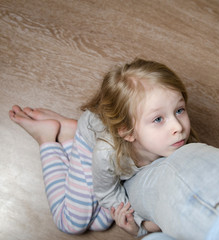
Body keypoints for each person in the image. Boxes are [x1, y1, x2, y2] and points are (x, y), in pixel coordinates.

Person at [9, 58, 198, 236]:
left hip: (112, 165)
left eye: (179, 110)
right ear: (128, 132)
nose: (178, 127)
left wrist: (135, 222)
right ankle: (48, 139)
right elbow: (106, 192)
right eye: (158, 119)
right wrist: (142, 226)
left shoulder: (178, 142)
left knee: (102, 221)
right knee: (71, 223)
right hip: (89, 144)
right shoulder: (105, 152)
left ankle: (68, 134)